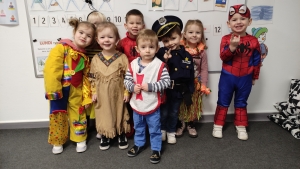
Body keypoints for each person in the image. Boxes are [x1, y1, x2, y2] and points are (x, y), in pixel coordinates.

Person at [44, 18, 96, 154]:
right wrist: (53, 90)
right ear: (74, 31)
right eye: (81, 32)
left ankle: (80, 137)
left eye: (89, 36)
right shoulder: (61, 48)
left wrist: (86, 96)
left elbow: (86, 77)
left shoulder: (85, 57)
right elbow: (51, 69)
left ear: (92, 40)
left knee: (78, 113)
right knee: (57, 114)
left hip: (77, 90)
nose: (84, 37)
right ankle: (57, 140)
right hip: (59, 89)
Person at [212, 4, 261, 140]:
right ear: (229, 23)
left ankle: (241, 126)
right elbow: (223, 57)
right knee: (223, 101)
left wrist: (254, 76)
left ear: (249, 21)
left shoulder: (254, 41)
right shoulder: (226, 39)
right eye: (234, 19)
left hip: (245, 77)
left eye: (243, 19)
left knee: (241, 102)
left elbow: (257, 61)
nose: (238, 22)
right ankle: (218, 125)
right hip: (228, 76)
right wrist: (232, 47)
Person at [124, 29, 170, 164]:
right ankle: (139, 144)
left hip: (152, 104)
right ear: (138, 49)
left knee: (155, 128)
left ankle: (156, 148)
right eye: (144, 47)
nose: (148, 50)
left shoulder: (160, 65)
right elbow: (126, 80)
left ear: (157, 49)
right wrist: (132, 87)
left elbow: (166, 82)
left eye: (151, 47)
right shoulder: (132, 64)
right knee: (138, 126)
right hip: (137, 104)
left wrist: (150, 86)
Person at [152, 15, 194, 144]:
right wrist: (164, 60)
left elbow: (190, 74)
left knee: (174, 112)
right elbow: (154, 71)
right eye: (166, 41)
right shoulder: (159, 54)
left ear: (181, 35)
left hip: (178, 91)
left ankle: (171, 131)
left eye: (173, 38)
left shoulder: (187, 56)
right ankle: (162, 130)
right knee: (163, 113)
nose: (170, 43)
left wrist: (190, 90)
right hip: (164, 90)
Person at [89, 21, 130, 151]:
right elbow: (92, 77)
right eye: (102, 37)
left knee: (120, 111)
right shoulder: (96, 58)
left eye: (110, 37)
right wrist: (94, 91)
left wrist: (126, 92)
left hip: (118, 92)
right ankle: (105, 134)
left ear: (117, 39)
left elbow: (128, 76)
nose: (106, 40)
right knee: (103, 113)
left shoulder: (122, 57)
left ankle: (120, 132)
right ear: (97, 40)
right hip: (101, 94)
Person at [176, 19, 210, 138]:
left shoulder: (202, 53)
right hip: (181, 83)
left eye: (197, 32)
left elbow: (204, 69)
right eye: (190, 32)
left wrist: (203, 84)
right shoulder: (179, 49)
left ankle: (191, 124)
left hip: (195, 83)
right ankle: (180, 124)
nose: (194, 35)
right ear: (184, 34)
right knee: (180, 104)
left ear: (202, 35)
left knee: (193, 105)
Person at [117, 9, 145, 138]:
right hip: (127, 80)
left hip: (143, 79)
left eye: (138, 23)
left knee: (141, 104)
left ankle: (143, 129)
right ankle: (130, 128)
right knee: (128, 104)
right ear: (125, 25)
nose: (135, 26)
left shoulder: (145, 41)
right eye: (132, 23)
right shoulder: (122, 43)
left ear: (143, 26)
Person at [85, 10, 106, 140]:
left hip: (100, 78)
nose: (95, 27)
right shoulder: (85, 44)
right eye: (92, 25)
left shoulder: (104, 44)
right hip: (86, 78)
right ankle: (85, 126)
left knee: (100, 102)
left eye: (98, 25)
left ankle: (100, 126)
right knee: (87, 102)